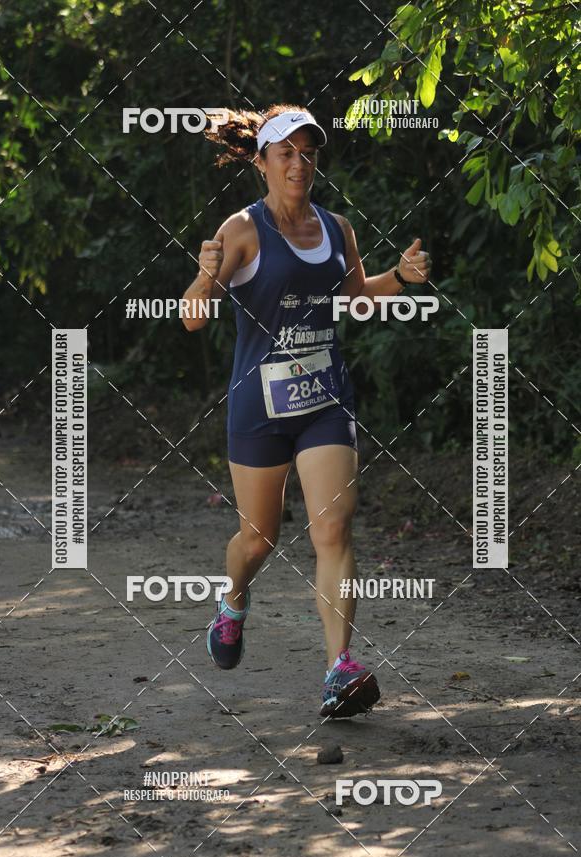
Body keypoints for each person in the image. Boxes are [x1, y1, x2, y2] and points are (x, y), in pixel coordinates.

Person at [182, 104, 431, 717]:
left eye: (308, 153)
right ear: (262, 162)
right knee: (258, 538)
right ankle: (232, 602)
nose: (299, 164)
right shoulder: (242, 230)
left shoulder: (336, 228)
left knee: (333, 527)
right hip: (258, 406)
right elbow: (192, 318)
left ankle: (338, 670)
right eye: (286, 153)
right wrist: (204, 278)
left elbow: (355, 298)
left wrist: (400, 278)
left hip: (324, 400)